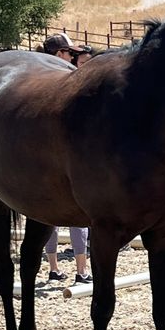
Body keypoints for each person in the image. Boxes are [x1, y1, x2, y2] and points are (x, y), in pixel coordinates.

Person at [40, 33, 93, 285]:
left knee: (46, 215)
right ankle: (82, 271)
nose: (73, 59)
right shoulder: (69, 84)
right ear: (59, 55)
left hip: (43, 160)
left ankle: (53, 269)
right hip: (71, 157)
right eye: (70, 54)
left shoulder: (39, 84)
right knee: (78, 215)